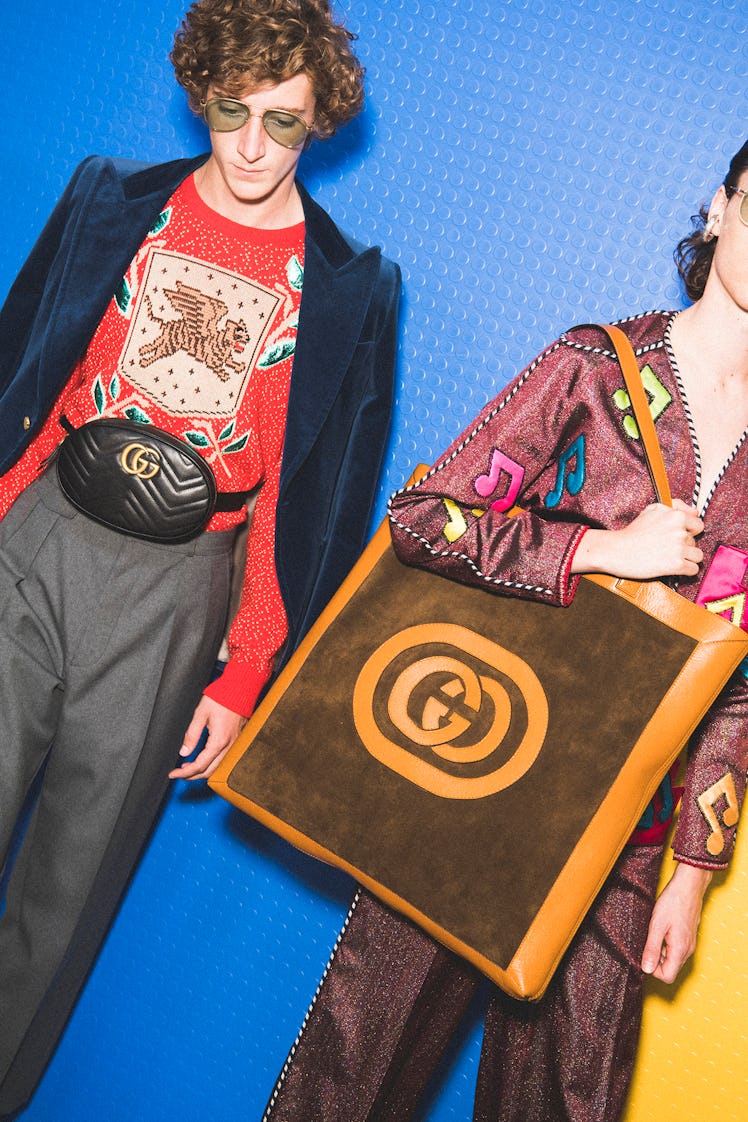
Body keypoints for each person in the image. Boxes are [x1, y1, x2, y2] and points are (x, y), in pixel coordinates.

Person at [261, 138, 748, 1122]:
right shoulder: (589, 368)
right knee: (353, 1081)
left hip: (623, 836)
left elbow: (735, 685)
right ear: (717, 208)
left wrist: (693, 871)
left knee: (567, 1102)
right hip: (472, 778)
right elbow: (424, 519)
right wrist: (598, 553)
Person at [0, 0, 400, 1114]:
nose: (254, 146)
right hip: (31, 545)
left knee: (68, 890)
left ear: (319, 120)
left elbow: (309, 504)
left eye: (284, 120)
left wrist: (244, 668)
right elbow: (18, 372)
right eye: (232, 112)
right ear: (200, 95)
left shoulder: (352, 289)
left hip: (181, 591)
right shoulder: (107, 200)